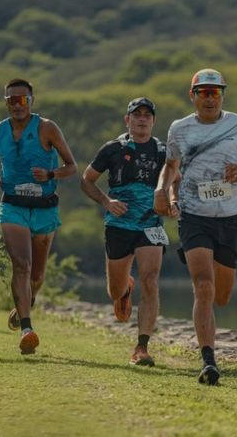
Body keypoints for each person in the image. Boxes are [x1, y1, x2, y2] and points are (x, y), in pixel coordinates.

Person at [153, 68, 237, 385]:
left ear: (222, 96)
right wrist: (162, 190)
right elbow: (171, 166)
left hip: (229, 218)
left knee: (221, 295)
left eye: (214, 92)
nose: (209, 98)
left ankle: (209, 346)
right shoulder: (180, 129)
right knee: (203, 286)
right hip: (193, 215)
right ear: (192, 96)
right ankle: (208, 361)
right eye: (203, 92)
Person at [0, 78, 77, 355]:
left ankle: (24, 304)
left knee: (37, 275)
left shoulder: (47, 128)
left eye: (22, 100)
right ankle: (26, 329)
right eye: (11, 100)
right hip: (12, 205)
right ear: (6, 103)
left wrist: (50, 174)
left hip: (45, 207)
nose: (17, 105)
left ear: (31, 101)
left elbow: (72, 167)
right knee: (21, 264)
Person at [81, 97, 179, 366]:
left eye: (147, 115)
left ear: (154, 121)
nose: (142, 119)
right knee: (114, 290)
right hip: (119, 225)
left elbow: (175, 180)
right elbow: (86, 180)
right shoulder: (113, 149)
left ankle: (142, 347)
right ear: (128, 120)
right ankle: (124, 290)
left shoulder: (163, 151)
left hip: (150, 225)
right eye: (137, 115)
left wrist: (172, 201)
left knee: (151, 280)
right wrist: (106, 202)